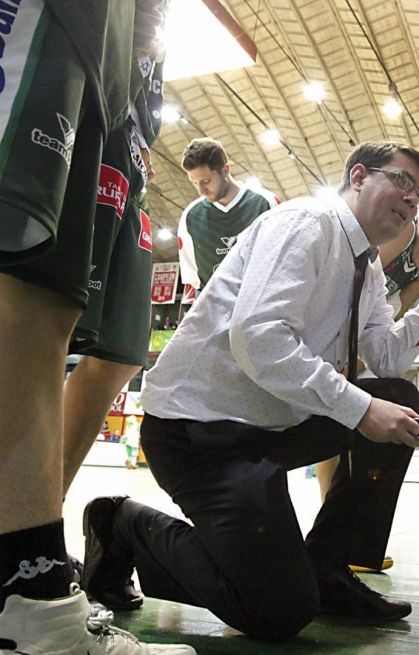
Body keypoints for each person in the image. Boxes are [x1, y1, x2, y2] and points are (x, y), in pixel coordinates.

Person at [80, 142, 419, 642]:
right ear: (358, 176)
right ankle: (122, 524)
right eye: (401, 181)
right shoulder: (306, 224)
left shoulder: (368, 266)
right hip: (201, 433)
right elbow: (259, 338)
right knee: (279, 611)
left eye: (418, 193)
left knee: (399, 399)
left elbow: (386, 357)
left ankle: (329, 568)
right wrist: (358, 408)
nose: (411, 199)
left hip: (269, 428)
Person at [0, 2, 195, 653]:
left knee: (58, 307)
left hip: (115, 97)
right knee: (26, 285)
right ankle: (27, 585)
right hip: (67, 33)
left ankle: (26, 559)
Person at [312, 202, 419, 572]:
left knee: (389, 398)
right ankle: (335, 531)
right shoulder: (398, 234)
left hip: (351, 338)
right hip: (312, 339)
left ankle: (346, 535)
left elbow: (391, 327)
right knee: (339, 414)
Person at [62, 41, 166, 495]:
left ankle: (43, 502)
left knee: (120, 352)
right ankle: (21, 517)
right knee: (43, 322)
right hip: (85, 116)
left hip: (129, 155)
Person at [177, 137, 280, 295]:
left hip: (260, 301)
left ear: (225, 170)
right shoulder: (190, 216)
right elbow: (194, 279)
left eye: (206, 181)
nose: (201, 190)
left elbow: (282, 260)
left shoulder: (266, 203)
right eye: (195, 183)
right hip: (214, 305)